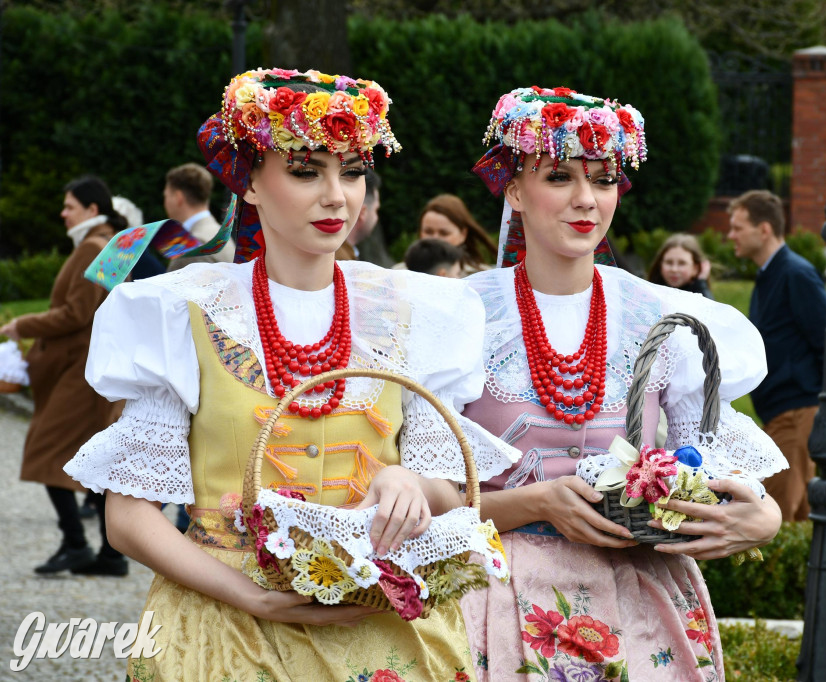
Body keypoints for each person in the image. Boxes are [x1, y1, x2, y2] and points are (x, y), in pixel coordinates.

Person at [63, 68, 518, 680]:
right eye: (306, 171)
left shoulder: (416, 312)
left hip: (379, 626)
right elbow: (127, 517)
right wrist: (247, 594)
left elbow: (448, 489)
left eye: (352, 171)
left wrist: (411, 484)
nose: (337, 196)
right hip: (225, 628)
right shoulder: (182, 313)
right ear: (248, 180)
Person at [458, 86, 787, 681]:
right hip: (498, 601)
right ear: (512, 188)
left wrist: (762, 516)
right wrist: (529, 504)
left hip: (641, 601)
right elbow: (416, 498)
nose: (586, 200)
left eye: (604, 179)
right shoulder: (462, 316)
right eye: (559, 176)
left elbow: (713, 470)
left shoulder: (660, 318)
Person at [0, 175, 130, 576]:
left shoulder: (94, 247)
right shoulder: (109, 246)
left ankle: (77, 543)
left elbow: (78, 313)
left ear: (92, 210)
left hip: (82, 371)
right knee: (88, 457)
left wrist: (24, 322)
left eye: (70, 205)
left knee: (47, 447)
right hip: (91, 367)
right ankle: (110, 554)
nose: (63, 212)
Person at [726, 190, 826, 522]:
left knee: (776, 519)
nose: (731, 235)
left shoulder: (795, 274)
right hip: (783, 413)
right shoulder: (771, 274)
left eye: (738, 227)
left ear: (764, 229)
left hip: (797, 412)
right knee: (794, 515)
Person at [164, 162, 236, 270]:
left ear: (178, 197)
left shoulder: (192, 247)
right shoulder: (218, 233)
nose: (165, 202)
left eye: (166, 196)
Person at [418, 193, 498, 275]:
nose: (434, 239)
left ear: (463, 235)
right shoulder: (405, 274)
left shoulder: (484, 277)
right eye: (428, 232)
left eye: (444, 233)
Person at [335, 168, 394, 267]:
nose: (376, 217)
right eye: (376, 210)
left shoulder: (343, 255)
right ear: (362, 212)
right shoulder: (340, 262)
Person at [647, 233, 714, 299]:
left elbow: (709, 307)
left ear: (695, 268)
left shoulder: (699, 296)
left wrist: (701, 283)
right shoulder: (650, 294)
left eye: (682, 263)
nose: (674, 269)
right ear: (660, 264)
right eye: (669, 262)